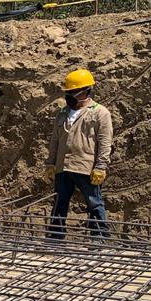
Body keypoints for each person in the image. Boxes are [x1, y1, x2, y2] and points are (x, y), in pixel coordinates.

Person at [45, 69, 113, 240]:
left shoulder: (99, 112)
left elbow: (105, 142)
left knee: (94, 203)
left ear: (86, 91)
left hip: (85, 167)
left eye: (74, 92)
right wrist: (50, 163)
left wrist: (101, 167)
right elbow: (55, 140)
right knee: (59, 204)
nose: (70, 95)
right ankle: (54, 239)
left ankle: (99, 241)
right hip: (63, 166)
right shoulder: (62, 113)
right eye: (68, 92)